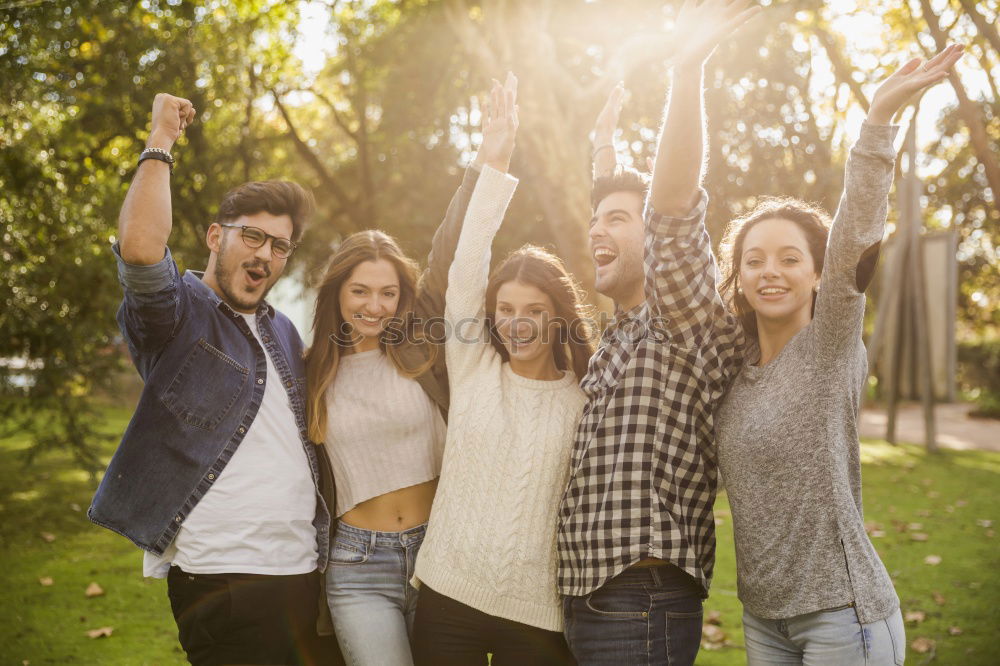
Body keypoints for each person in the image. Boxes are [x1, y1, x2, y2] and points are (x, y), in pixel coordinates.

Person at [713, 44, 965, 665]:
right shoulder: (734, 370)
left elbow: (855, 234)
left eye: (790, 258)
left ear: (819, 274)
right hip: (763, 616)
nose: (770, 272)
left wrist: (877, 121)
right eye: (755, 260)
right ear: (738, 276)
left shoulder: (827, 347)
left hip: (842, 617)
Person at [88, 93, 336, 665]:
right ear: (215, 236)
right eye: (253, 236)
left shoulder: (283, 331)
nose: (266, 255)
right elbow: (142, 249)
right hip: (226, 577)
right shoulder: (179, 313)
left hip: (303, 570)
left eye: (280, 246)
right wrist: (161, 141)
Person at [556, 1, 760, 664]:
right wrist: (604, 154)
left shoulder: (683, 321)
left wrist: (686, 70)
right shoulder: (618, 338)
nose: (596, 232)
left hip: (640, 601)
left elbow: (668, 210)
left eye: (618, 219)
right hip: (588, 598)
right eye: (596, 222)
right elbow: (623, 218)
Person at [411, 73, 593, 665]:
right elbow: (466, 267)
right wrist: (495, 162)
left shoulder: (586, 399)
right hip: (447, 596)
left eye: (534, 311)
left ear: (559, 317)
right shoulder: (474, 368)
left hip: (538, 615)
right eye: (506, 310)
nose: (517, 323)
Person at [305, 111, 493, 665]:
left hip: (440, 552)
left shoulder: (420, 345)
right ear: (338, 292)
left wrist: (483, 163)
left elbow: (451, 249)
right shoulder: (310, 370)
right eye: (361, 291)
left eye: (388, 293)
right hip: (357, 566)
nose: (374, 306)